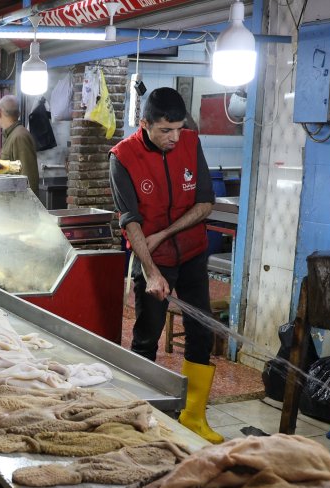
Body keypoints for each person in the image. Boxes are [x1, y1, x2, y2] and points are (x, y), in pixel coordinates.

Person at [109, 87, 220, 444]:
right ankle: (143, 419)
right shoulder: (123, 157)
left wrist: (166, 233)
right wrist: (151, 269)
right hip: (152, 259)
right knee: (146, 336)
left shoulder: (190, 142)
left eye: (178, 128)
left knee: (202, 333)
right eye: (165, 130)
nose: (175, 137)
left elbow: (205, 203)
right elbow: (131, 221)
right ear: (144, 124)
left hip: (191, 253)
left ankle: (194, 416)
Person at [0, 95, 41, 199]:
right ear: (19, 114)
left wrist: (25, 212)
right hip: (10, 206)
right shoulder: (12, 136)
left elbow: (28, 178)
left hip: (18, 207)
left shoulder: (19, 137)